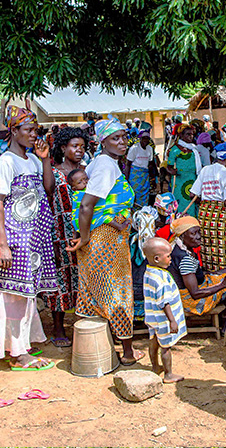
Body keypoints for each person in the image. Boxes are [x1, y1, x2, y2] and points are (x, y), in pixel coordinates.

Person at [67, 117, 144, 366]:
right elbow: (87, 205)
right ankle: (128, 352)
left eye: (123, 136)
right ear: (102, 142)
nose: (122, 142)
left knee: (92, 290)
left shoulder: (107, 163)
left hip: (106, 237)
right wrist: (86, 237)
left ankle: (92, 349)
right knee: (117, 292)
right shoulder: (104, 165)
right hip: (104, 240)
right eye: (115, 138)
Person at [0, 106, 56, 371]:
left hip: (32, 239)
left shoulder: (32, 160)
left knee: (26, 293)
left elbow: (48, 188)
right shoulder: (5, 162)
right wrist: (2, 245)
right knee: (14, 294)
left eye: (36, 130)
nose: (35, 135)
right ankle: (18, 354)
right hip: (15, 238)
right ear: (13, 131)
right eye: (29, 130)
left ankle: (20, 344)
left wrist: (44, 159)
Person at [42, 127, 89, 347]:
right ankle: (58, 328)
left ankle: (85, 324)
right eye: (74, 146)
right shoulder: (55, 171)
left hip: (84, 233)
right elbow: (49, 190)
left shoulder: (86, 172)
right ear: (63, 148)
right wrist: (45, 161)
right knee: (61, 279)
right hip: (59, 234)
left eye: (82, 146)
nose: (79, 150)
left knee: (84, 277)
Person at [166, 216, 226, 335]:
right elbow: (195, 294)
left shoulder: (179, 248)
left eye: (199, 232)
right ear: (182, 235)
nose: (198, 236)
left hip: (193, 289)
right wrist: (224, 284)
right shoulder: (185, 259)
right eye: (193, 233)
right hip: (192, 302)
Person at [143, 237, 187, 383]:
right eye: (168, 256)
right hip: (163, 319)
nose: (170, 259)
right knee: (166, 346)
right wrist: (172, 321)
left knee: (154, 341)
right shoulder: (160, 278)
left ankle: (155, 367)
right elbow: (164, 302)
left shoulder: (149, 272)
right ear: (157, 258)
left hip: (152, 317)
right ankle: (168, 374)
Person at [190, 142, 226, 272]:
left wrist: (206, 203)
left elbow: (192, 194)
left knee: (207, 249)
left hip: (204, 215)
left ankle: (210, 278)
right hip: (221, 216)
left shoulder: (205, 170)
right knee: (224, 251)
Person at [167, 124, 202, 214]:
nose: (191, 137)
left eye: (192, 134)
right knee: (181, 201)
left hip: (193, 179)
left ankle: (192, 220)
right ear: (181, 136)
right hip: (179, 181)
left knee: (193, 200)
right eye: (188, 134)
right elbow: (168, 167)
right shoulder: (175, 150)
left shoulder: (193, 148)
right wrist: (172, 171)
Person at [126, 129, 155, 209]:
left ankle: (143, 211)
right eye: (144, 138)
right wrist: (126, 179)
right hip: (135, 175)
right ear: (140, 139)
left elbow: (151, 164)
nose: (146, 140)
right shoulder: (134, 148)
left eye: (147, 138)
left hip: (145, 175)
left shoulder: (150, 149)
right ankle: (135, 212)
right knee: (135, 193)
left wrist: (152, 178)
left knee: (145, 193)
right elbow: (128, 164)